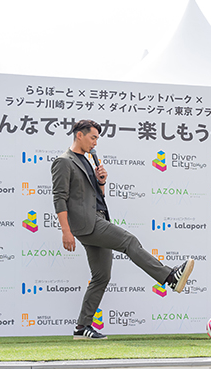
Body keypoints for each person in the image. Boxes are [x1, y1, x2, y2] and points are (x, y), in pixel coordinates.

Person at [51, 119, 194, 340]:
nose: (95, 142)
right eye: (93, 137)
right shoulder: (64, 162)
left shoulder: (88, 161)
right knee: (129, 242)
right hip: (87, 224)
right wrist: (65, 231)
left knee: (101, 276)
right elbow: (60, 197)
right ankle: (169, 277)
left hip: (97, 218)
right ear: (79, 135)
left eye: (97, 138)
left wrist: (101, 182)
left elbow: (95, 198)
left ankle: (81, 327)